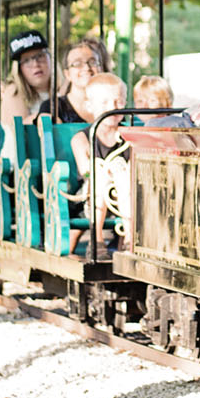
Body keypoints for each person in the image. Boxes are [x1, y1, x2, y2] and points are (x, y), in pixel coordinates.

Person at [70, 72, 131, 255]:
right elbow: (85, 169)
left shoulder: (129, 135)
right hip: (90, 194)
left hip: (124, 193)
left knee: (125, 176)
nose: (112, 108)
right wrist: (105, 170)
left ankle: (129, 239)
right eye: (104, 103)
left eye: (118, 101)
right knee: (100, 176)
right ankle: (96, 240)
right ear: (90, 105)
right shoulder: (82, 138)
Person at [38, 38, 109, 124]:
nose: (87, 68)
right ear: (67, 74)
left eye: (93, 62)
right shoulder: (53, 107)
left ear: (101, 68)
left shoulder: (111, 105)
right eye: (77, 64)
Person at [0, 31, 52, 122]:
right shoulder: (14, 90)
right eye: (26, 60)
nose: (35, 64)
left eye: (40, 56)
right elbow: (20, 129)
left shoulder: (65, 86)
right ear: (19, 69)